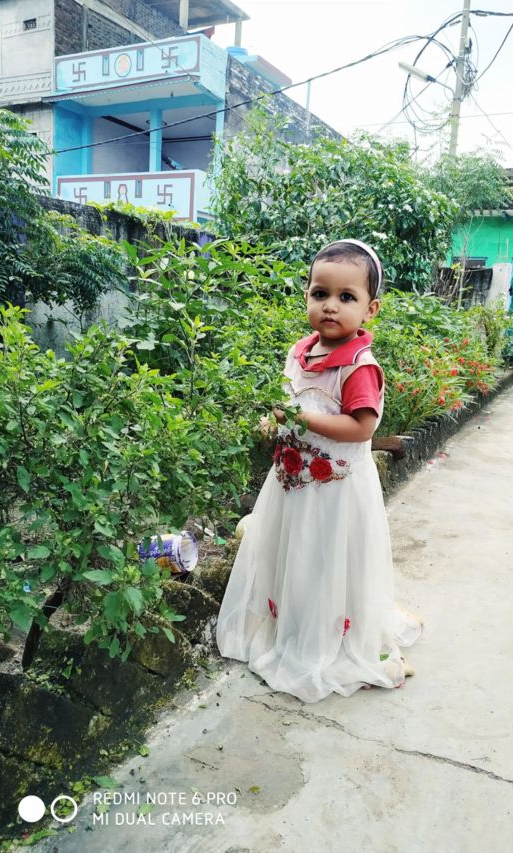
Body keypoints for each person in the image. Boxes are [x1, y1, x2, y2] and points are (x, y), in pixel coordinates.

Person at [216, 239, 421, 703]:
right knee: (295, 556)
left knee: (327, 560)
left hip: (336, 493)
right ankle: (292, 623)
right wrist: (275, 420)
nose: (330, 306)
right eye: (320, 293)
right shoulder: (300, 352)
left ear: (370, 309)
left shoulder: (359, 367)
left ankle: (331, 637)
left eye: (346, 297)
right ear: (306, 294)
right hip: (292, 485)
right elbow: (288, 398)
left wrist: (300, 419)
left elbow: (361, 427)